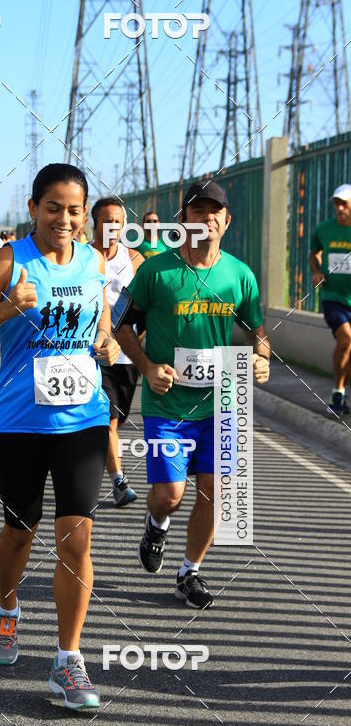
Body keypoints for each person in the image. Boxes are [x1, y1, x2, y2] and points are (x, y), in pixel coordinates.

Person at [0, 162, 120, 710]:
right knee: (20, 531)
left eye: (75, 210)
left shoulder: (95, 262)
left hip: (83, 419)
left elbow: (103, 322)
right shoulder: (10, 259)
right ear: (33, 210)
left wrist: (108, 345)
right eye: (54, 209)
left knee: (77, 537)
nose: (65, 220)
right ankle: (6, 607)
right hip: (20, 421)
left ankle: (68, 662)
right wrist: (8, 306)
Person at [115, 180, 271, 609]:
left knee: (214, 491)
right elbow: (121, 324)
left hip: (224, 399)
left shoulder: (239, 275)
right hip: (168, 402)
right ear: (182, 220)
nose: (206, 218)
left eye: (214, 210)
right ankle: (155, 523)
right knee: (170, 494)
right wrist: (146, 366)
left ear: (227, 220)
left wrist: (261, 358)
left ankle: (190, 571)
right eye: (196, 210)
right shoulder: (156, 271)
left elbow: (258, 333)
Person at [90, 196, 144, 506]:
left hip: (128, 354)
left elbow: (146, 305)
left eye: (119, 221)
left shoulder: (135, 259)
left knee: (117, 422)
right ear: (94, 224)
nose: (114, 226)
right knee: (108, 419)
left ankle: (103, 455)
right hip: (94, 351)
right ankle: (119, 482)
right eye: (107, 221)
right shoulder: (82, 257)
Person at [309, 184, 351, 415]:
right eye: (337, 203)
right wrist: (316, 271)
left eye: (344, 203)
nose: (340, 208)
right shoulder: (324, 229)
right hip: (332, 296)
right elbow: (314, 252)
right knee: (346, 339)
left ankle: (340, 393)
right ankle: (337, 391)